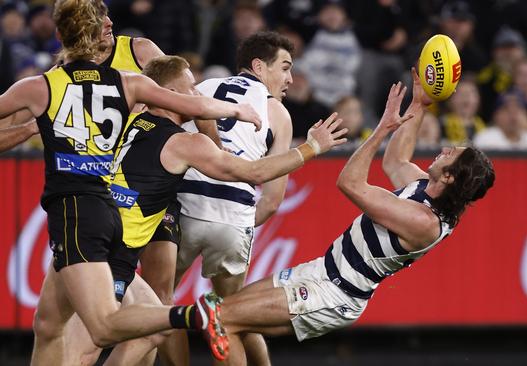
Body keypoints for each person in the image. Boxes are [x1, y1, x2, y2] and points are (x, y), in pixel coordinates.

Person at [0, 0, 263, 364]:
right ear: (95, 34)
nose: (111, 23)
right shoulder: (129, 82)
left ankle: (192, 315)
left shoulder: (42, 86)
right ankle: (179, 314)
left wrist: (37, 123)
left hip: (77, 212)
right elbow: (195, 103)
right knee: (49, 325)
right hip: (110, 208)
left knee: (103, 326)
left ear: (60, 35)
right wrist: (237, 109)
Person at [66, 54, 347, 365]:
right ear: (169, 96)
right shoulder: (184, 143)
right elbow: (253, 174)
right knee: (98, 338)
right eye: (192, 89)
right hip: (116, 247)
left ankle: (190, 315)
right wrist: (311, 148)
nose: (200, 95)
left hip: (83, 232)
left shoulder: (126, 121)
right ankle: (196, 314)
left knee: (149, 320)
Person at [198, 69, 495, 362]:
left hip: (332, 294)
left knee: (223, 318)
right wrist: (419, 103)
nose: (443, 149)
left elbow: (349, 183)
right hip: (320, 273)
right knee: (237, 317)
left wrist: (381, 129)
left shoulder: (424, 221)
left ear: (449, 178)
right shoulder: (425, 188)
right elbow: (396, 160)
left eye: (450, 154)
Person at [173, 31, 296, 366]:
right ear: (258, 66)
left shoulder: (203, 86)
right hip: (232, 215)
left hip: (181, 208)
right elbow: (271, 201)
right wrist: (234, 218)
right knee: (232, 315)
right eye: (284, 68)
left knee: (158, 306)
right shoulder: (278, 113)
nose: (290, 79)